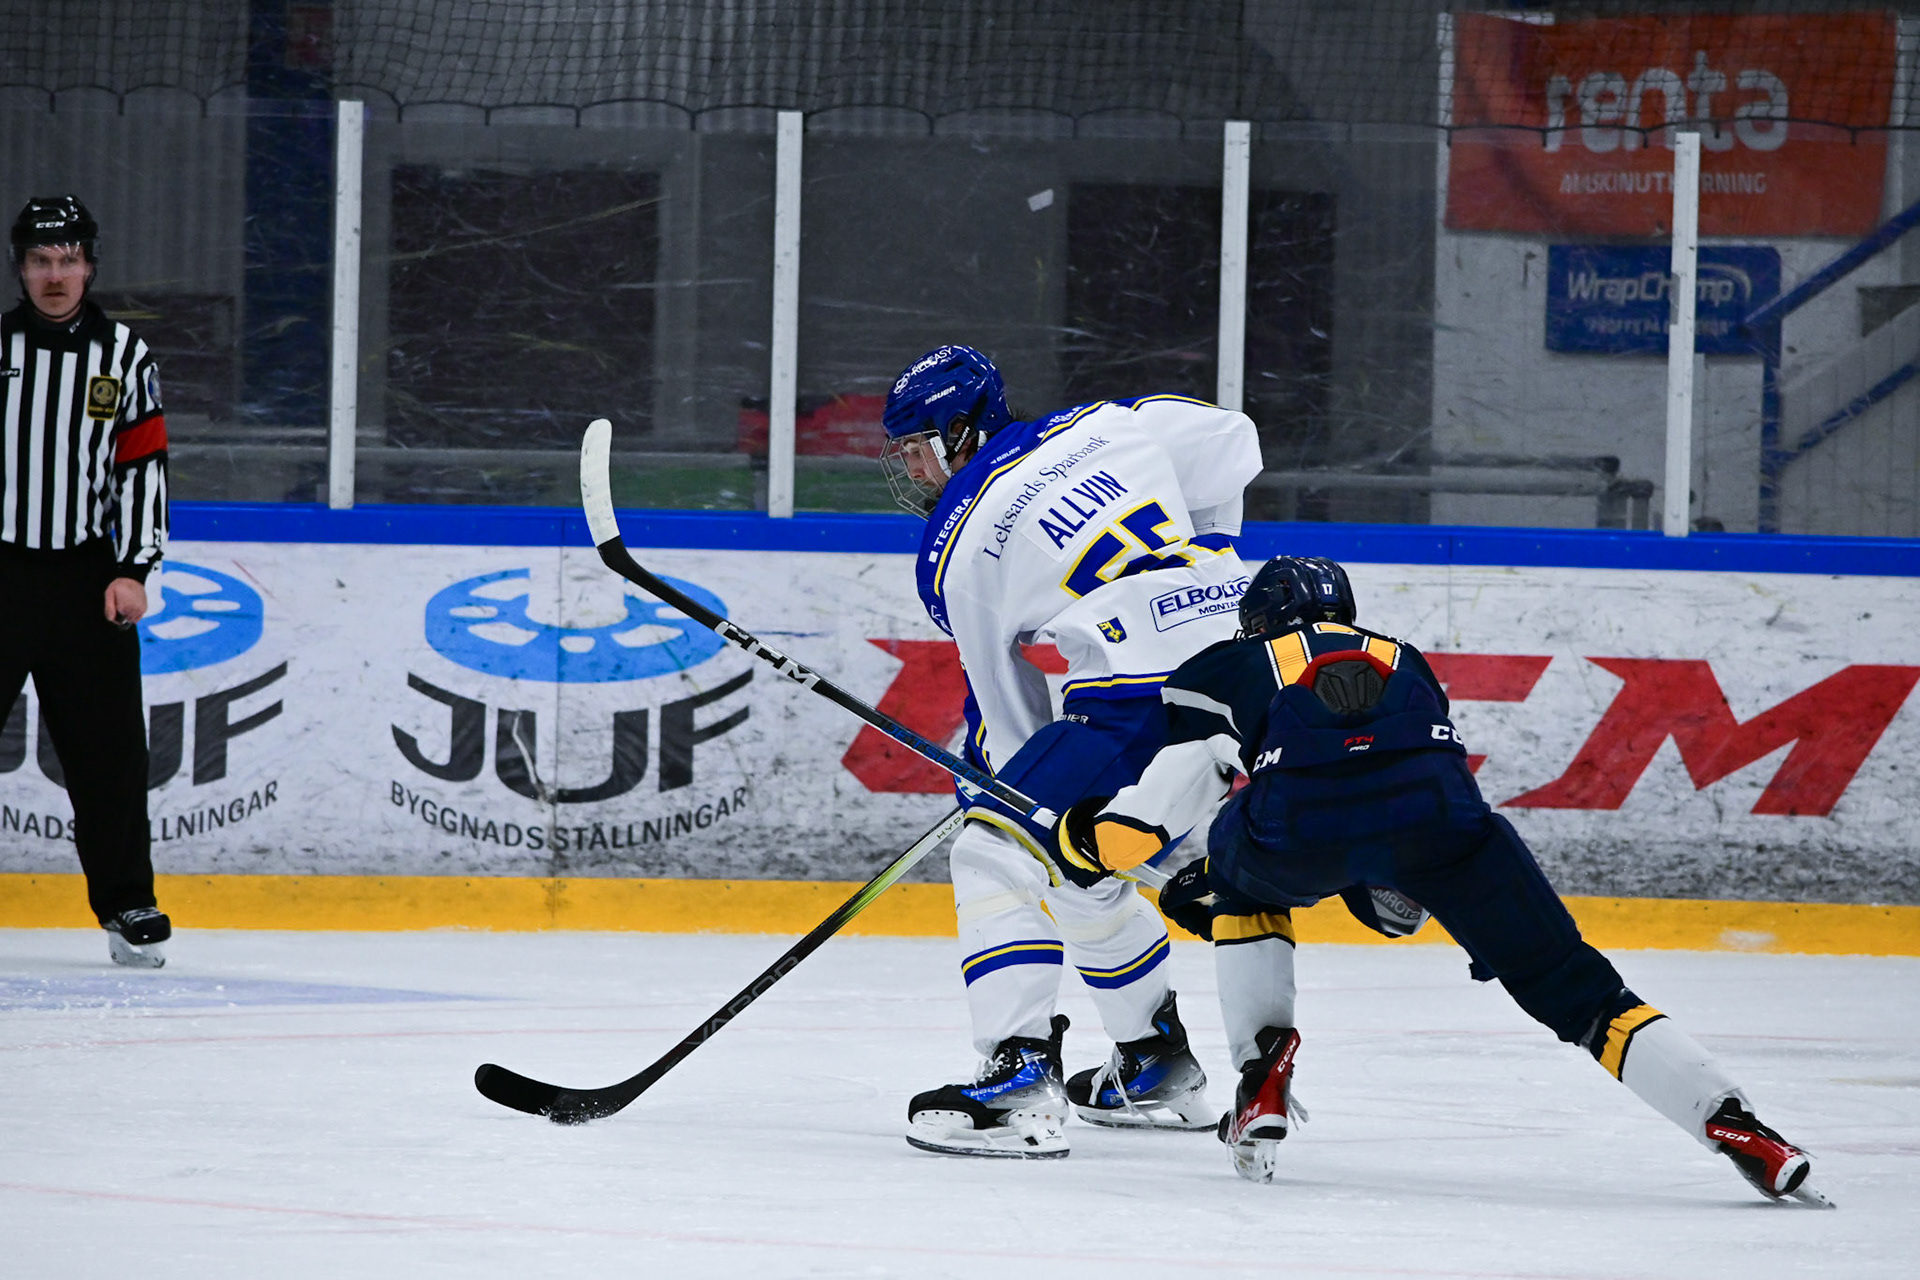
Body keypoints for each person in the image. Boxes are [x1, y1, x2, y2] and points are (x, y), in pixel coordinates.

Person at [1047, 555, 1825, 1204]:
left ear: (1257, 620)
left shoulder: (1221, 668)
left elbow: (1136, 829)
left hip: (1294, 836)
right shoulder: (1405, 657)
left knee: (1242, 882)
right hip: (1446, 830)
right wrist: (1370, 876)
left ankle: (1262, 1074)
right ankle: (1732, 1120)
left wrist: (1082, 841)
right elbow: (1391, 834)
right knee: (1581, 992)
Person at [879, 344, 1263, 1158]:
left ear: (960, 432)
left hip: (1144, 692)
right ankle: (1153, 1061)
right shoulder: (1107, 423)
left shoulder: (957, 544)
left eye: (917, 448)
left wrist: (1008, 797)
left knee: (1000, 850)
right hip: (1258, 658)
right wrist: (1211, 560)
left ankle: (1016, 1079)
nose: (913, 471)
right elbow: (1234, 441)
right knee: (1080, 860)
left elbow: (1005, 703)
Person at [0, 195, 171, 967]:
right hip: (1, 569)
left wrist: (133, 567)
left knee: (110, 756)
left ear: (89, 267)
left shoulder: (125, 356)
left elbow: (142, 466)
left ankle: (128, 903)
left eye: (68, 260)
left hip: (85, 579)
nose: (55, 275)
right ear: (21, 268)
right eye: (41, 260)